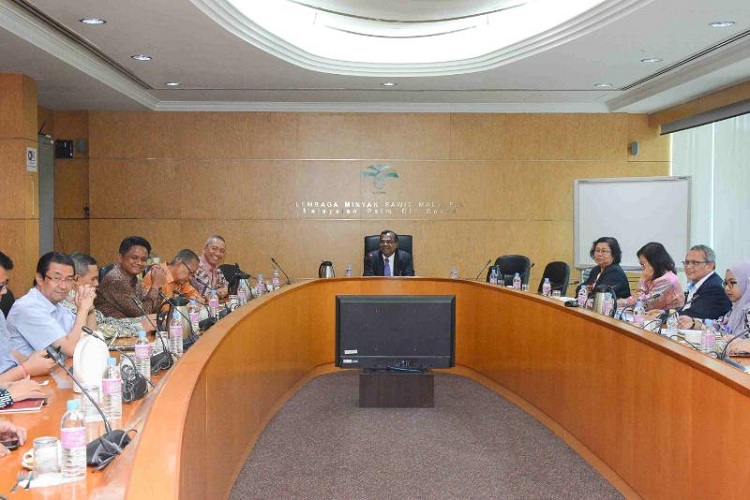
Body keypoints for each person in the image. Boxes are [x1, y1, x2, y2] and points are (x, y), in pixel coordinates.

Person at [8, 252, 97, 357]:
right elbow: (71, 349)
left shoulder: (57, 306)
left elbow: (91, 341)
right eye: (56, 278)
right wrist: (83, 309)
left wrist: (90, 309)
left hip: (61, 366)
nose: (63, 286)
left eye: (68, 279)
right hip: (27, 368)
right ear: (39, 278)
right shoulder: (27, 307)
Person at [63, 252, 155, 338]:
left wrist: (143, 320)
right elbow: (96, 331)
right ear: (77, 279)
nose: (97, 283)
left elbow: (107, 322)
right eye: (93, 279)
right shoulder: (67, 307)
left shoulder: (82, 299)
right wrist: (139, 327)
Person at [0, 251, 55, 382]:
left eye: (5, 284)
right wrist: (26, 369)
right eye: (0, 286)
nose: (5, 291)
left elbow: (7, 351)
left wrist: (32, 361)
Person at [95, 236, 166, 318]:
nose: (139, 263)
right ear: (120, 257)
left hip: (133, 324)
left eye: (143, 259)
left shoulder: (134, 279)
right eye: (134, 258)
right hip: (110, 325)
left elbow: (152, 309)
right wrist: (155, 285)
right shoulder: (115, 280)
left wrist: (159, 286)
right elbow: (142, 314)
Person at [676, 245, 732, 329]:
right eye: (686, 262)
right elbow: (684, 310)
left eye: (695, 263)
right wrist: (663, 313)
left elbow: (691, 315)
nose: (688, 267)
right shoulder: (697, 284)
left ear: (710, 266)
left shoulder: (715, 288)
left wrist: (662, 316)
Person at [619, 242, 684, 311]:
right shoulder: (654, 276)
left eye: (642, 264)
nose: (642, 267)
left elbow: (643, 305)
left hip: (668, 316)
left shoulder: (667, 280)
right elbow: (638, 298)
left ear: (654, 262)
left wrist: (642, 279)